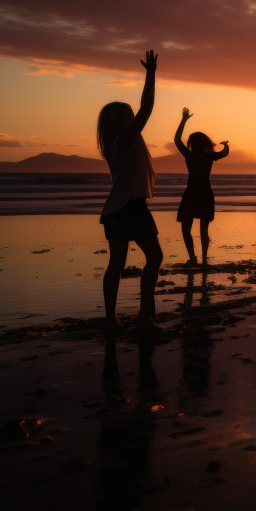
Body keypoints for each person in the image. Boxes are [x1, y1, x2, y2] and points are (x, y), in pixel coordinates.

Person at [98, 49, 161, 331]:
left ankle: (112, 320)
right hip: (130, 208)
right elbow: (146, 109)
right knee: (154, 258)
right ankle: (145, 318)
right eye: (128, 116)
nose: (133, 118)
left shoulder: (116, 144)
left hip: (115, 209)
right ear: (121, 121)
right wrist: (151, 74)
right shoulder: (124, 139)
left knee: (117, 265)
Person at [173, 107, 229, 266]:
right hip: (203, 194)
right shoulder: (209, 156)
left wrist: (183, 120)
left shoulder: (190, 155)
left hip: (192, 194)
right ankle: (202, 259)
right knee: (202, 231)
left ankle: (194, 258)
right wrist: (225, 145)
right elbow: (224, 153)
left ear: (192, 144)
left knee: (187, 230)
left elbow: (177, 140)